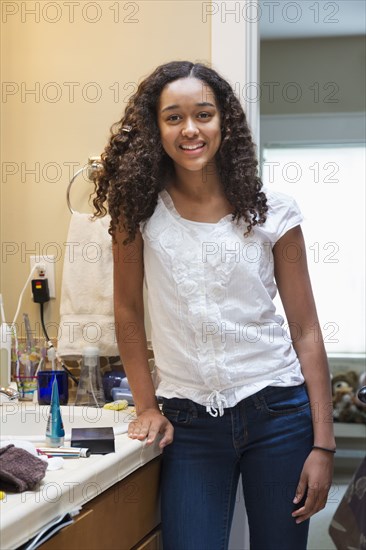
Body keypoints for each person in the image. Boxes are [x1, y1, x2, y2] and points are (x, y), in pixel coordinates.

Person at [93, 61, 335, 550]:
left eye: (203, 114)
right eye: (173, 117)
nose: (190, 130)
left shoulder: (274, 212)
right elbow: (127, 310)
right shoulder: (137, 212)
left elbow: (306, 329)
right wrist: (145, 405)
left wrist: (324, 445)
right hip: (189, 424)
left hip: (280, 414)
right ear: (154, 127)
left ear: (224, 122)